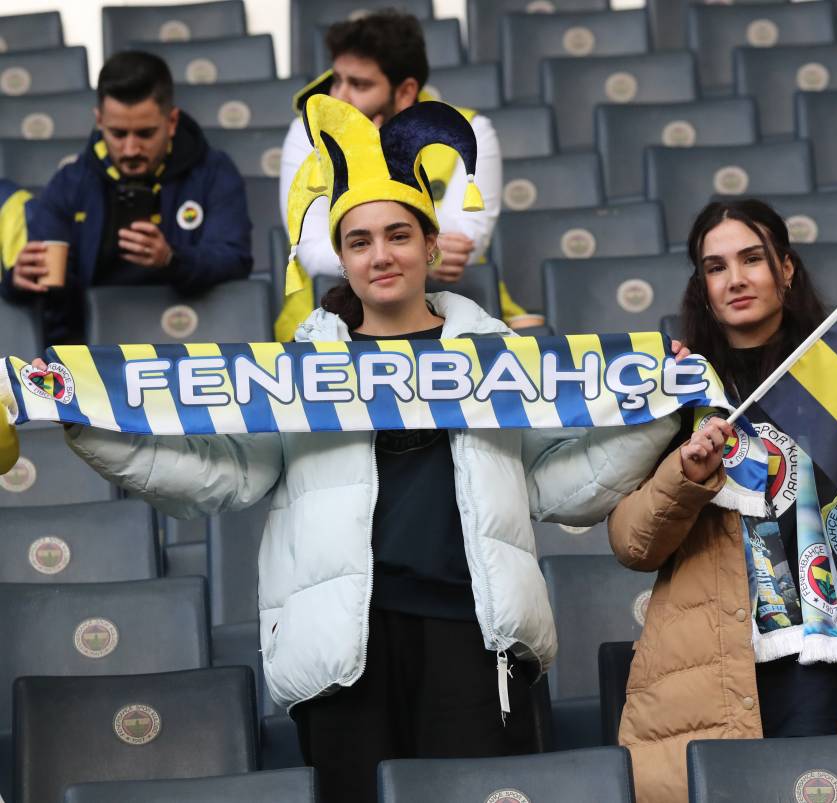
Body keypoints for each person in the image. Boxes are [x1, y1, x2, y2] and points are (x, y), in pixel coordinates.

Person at [50, 94, 677, 803]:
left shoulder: (498, 354)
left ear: (432, 242)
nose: (381, 255)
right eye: (359, 240)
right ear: (341, 257)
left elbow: (561, 489)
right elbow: (221, 475)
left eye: (399, 234)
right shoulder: (301, 365)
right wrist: (94, 428)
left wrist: (662, 416)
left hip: (475, 640)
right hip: (341, 654)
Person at [607, 199, 837, 803]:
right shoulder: (675, 389)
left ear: (787, 269)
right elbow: (632, 543)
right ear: (703, 286)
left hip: (823, 668)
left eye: (752, 259)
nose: (736, 278)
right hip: (705, 670)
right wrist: (686, 473)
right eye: (716, 267)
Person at [276, 10, 534, 338]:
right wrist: (410, 242)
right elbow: (312, 250)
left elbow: (469, 239)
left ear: (405, 91)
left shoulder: (467, 130)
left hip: (451, 312)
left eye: (360, 84)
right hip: (324, 312)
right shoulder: (309, 130)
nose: (340, 96)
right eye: (337, 79)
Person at [0, 51, 252, 346]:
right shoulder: (71, 183)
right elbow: (55, 294)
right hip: (93, 349)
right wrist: (18, 280)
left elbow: (235, 259)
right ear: (99, 121)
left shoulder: (214, 173)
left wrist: (172, 259)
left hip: (195, 340)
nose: (131, 149)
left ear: (171, 121)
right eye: (118, 133)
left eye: (145, 134)